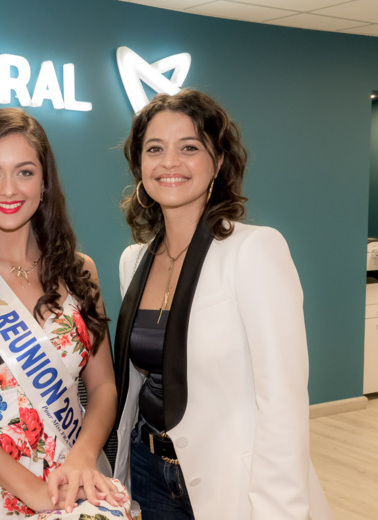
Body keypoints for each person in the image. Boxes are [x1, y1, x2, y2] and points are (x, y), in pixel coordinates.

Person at [112, 89, 332, 519]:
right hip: (148, 468)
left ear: (218, 162)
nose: (170, 162)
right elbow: (138, 384)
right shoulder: (133, 260)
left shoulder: (255, 250)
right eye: (154, 149)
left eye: (189, 147)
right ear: (140, 166)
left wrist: (277, 510)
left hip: (234, 483)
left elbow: (283, 402)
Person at [0, 108, 131, 520]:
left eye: (25, 172)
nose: (8, 189)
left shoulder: (79, 269)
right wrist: (30, 490)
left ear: (45, 182)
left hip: (74, 477)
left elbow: (103, 387)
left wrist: (83, 458)